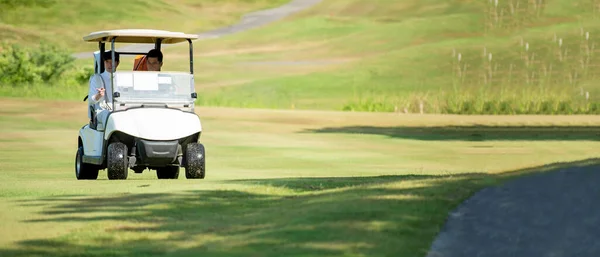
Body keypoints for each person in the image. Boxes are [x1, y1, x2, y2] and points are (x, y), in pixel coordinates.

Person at [88, 50, 120, 131]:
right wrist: (99, 95)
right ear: (104, 62)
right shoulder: (97, 78)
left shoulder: (122, 78)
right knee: (108, 115)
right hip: (102, 110)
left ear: (117, 63)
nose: (109, 64)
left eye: (112, 62)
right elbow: (91, 100)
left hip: (120, 108)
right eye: (107, 62)